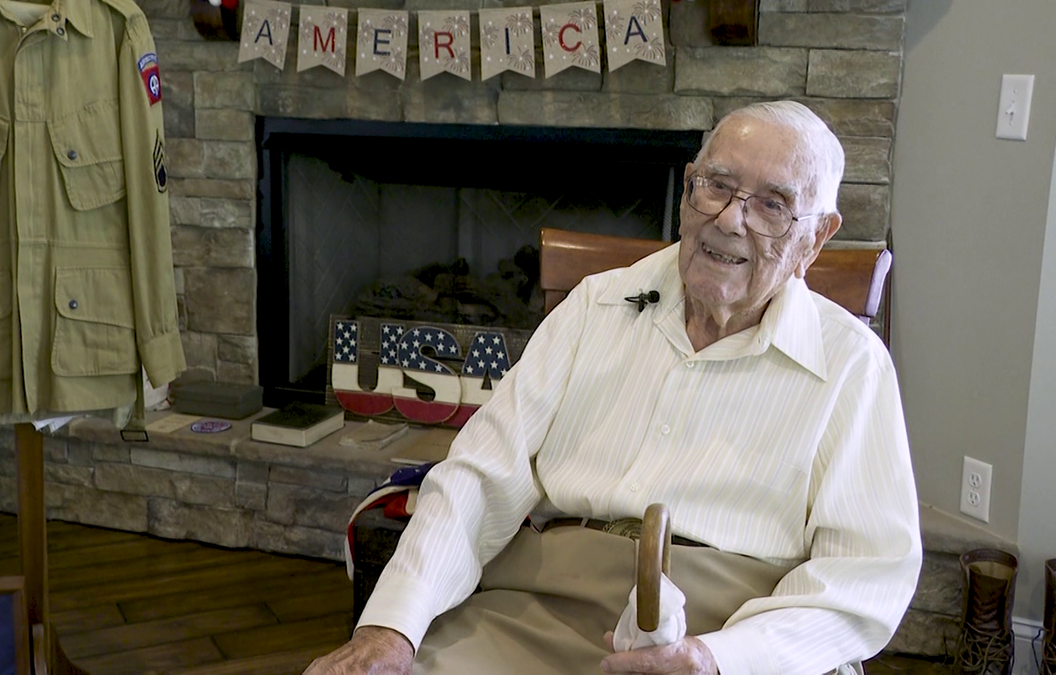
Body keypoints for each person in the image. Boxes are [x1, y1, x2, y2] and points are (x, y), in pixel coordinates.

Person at [306, 100, 923, 675]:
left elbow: (864, 576)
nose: (731, 220)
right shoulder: (595, 305)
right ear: (687, 189)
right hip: (540, 605)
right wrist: (390, 631)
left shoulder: (851, 366)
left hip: (728, 630)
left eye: (772, 205)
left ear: (816, 236)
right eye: (718, 185)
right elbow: (479, 475)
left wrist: (714, 658)